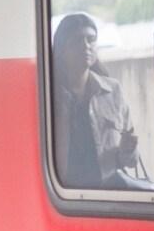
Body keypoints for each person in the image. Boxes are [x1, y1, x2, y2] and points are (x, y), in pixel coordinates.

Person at [50, 12, 146, 191]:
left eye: (91, 39)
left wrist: (127, 149)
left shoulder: (112, 90)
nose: (86, 46)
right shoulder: (49, 95)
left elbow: (131, 161)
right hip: (63, 194)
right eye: (77, 40)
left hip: (105, 190)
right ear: (62, 49)